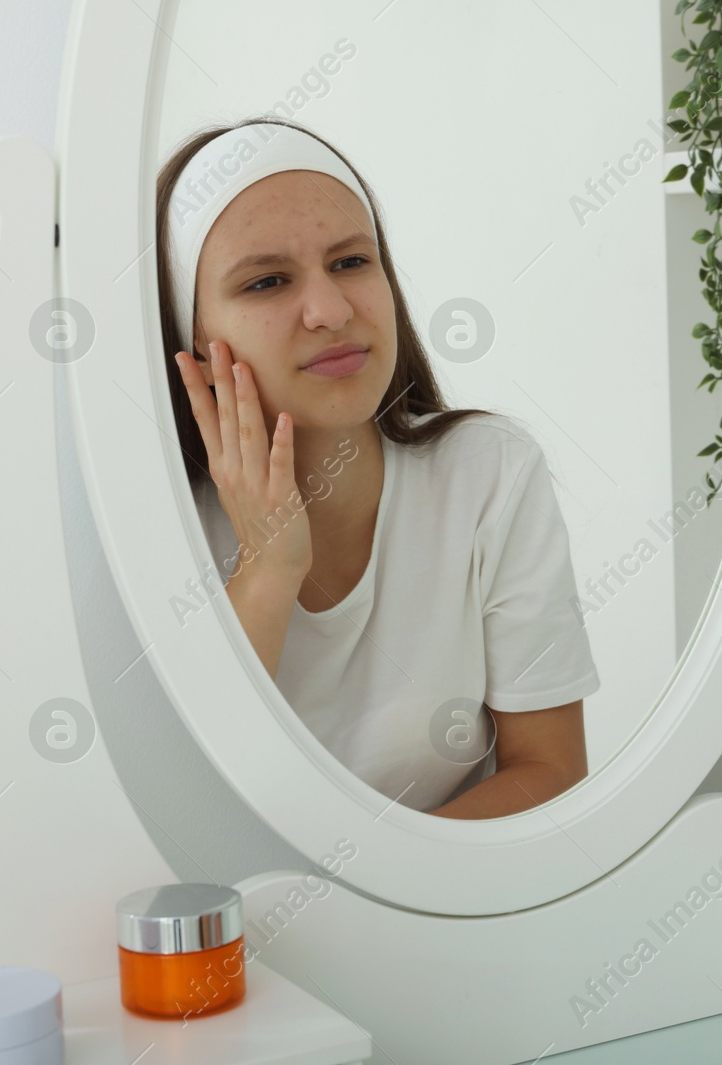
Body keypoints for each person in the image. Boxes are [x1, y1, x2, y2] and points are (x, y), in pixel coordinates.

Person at [153, 117, 599, 818]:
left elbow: (549, 768)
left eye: (351, 262)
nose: (330, 310)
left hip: (447, 920)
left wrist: (371, 907)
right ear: (188, 335)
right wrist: (267, 569)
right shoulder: (154, 526)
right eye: (267, 281)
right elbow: (182, 811)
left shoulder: (487, 475)